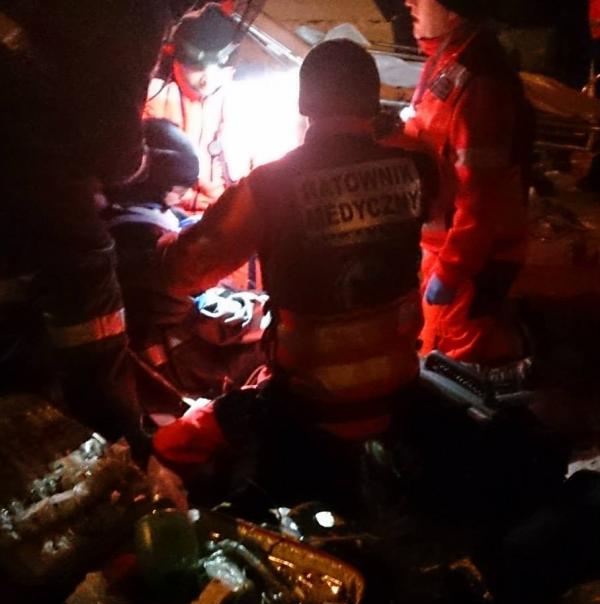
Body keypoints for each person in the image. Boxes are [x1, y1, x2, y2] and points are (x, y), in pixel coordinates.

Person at [152, 39, 441, 507]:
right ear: (373, 103)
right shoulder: (416, 170)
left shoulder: (272, 184)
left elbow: (188, 272)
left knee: (173, 442)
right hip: (400, 389)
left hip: (309, 403)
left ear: (305, 104)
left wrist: (163, 243)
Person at [0, 2, 194, 461]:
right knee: (98, 371)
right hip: (49, 205)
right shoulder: (138, 11)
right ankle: (129, 476)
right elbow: (114, 151)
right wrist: (140, 162)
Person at [396, 0, 534, 366]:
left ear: (454, 8)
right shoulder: (447, 61)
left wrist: (451, 272)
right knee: (432, 355)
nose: (409, 2)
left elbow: (481, 199)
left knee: (450, 368)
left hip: (471, 262)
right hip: (446, 252)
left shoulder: (481, 83)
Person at [103, 118, 266, 397]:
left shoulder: (117, 224)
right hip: (174, 365)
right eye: (176, 191)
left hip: (164, 355)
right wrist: (262, 313)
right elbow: (202, 315)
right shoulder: (141, 239)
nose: (179, 199)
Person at [145, 3, 241, 213]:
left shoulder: (247, 105)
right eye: (197, 67)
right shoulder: (152, 96)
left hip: (222, 218)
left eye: (217, 68)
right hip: (160, 212)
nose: (207, 78)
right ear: (177, 60)